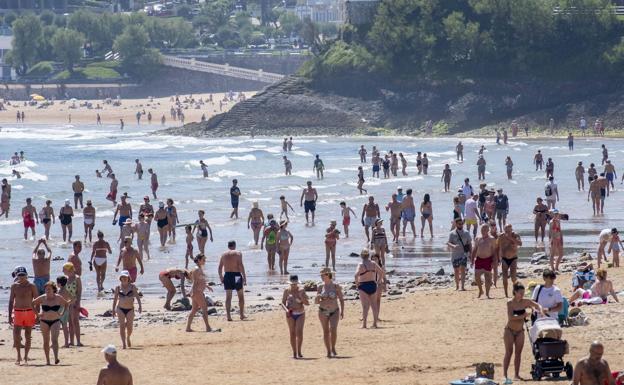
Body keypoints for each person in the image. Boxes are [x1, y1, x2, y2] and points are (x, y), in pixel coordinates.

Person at [503, 282, 544, 384]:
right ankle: (505, 374)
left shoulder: (525, 301)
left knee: (518, 353)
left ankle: (516, 374)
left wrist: (540, 310)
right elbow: (511, 317)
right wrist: (525, 315)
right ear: (515, 292)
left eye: (523, 293)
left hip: (520, 331)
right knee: (509, 352)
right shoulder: (510, 303)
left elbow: (537, 304)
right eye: (520, 293)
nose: (522, 295)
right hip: (509, 330)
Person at [9, 266, 38, 365]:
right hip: (17, 312)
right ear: (17, 276)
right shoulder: (14, 286)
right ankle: (18, 356)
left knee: (28, 335)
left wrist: (37, 314)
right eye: (19, 275)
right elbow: (11, 301)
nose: (21, 277)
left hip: (29, 312)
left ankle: (25, 356)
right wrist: (9, 315)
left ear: (26, 276)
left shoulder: (32, 286)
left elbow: (37, 301)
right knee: (17, 335)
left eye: (23, 275)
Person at [315, 267, 344, 358]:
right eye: (321, 275)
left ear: (328, 275)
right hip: (323, 311)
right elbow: (316, 302)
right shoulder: (320, 286)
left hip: (334, 310)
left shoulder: (336, 286)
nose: (322, 276)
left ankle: (333, 347)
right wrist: (319, 297)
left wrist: (342, 311)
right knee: (326, 331)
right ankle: (328, 351)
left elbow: (341, 300)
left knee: (333, 329)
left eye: (323, 275)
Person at [354, 249, 384, 328]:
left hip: (363, 285)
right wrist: (378, 282)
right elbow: (381, 272)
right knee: (374, 305)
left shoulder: (360, 264)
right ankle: (374, 323)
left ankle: (364, 324)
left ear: (361, 256)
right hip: (372, 284)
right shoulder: (373, 263)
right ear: (368, 256)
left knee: (365, 306)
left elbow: (356, 275)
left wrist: (357, 285)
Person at [112, 271, 142, 348]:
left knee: (130, 327)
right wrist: (113, 310)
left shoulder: (132, 287)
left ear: (128, 278)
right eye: (122, 277)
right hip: (120, 309)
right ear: (120, 278)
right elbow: (115, 299)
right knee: (122, 326)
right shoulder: (118, 288)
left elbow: (137, 297)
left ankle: (128, 337)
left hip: (130, 309)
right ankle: (124, 344)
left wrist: (140, 306)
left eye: (125, 277)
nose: (124, 278)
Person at [218, 240, 247, 321]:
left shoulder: (223, 255)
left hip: (227, 275)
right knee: (240, 295)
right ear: (234, 245)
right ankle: (241, 315)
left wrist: (221, 277)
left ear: (228, 246)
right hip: (237, 275)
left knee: (228, 297)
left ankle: (228, 316)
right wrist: (244, 276)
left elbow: (220, 267)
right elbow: (240, 265)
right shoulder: (238, 253)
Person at [282, 274, 309, 358]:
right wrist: (286, 310)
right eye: (292, 284)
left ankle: (299, 351)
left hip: (300, 313)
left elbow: (307, 303)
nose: (293, 285)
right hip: (290, 314)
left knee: (299, 332)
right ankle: (294, 352)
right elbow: (282, 303)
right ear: (290, 283)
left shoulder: (301, 290)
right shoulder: (286, 291)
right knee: (292, 333)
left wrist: (301, 298)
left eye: (295, 283)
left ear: (297, 283)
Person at [186, 254, 213, 332]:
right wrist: (192, 292)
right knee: (204, 308)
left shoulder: (199, 268)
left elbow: (201, 280)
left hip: (197, 291)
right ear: (198, 260)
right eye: (203, 260)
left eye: (205, 260)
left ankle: (188, 327)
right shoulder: (197, 269)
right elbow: (195, 282)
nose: (204, 261)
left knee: (194, 310)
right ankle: (208, 327)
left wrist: (207, 286)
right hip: (197, 292)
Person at [471, 224, 496, 299]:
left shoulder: (492, 239)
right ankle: (481, 290)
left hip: (488, 259)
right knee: (477, 276)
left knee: (488, 278)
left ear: (488, 230)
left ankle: (487, 294)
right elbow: (474, 249)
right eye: (482, 229)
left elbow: (494, 251)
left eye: (485, 230)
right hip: (479, 259)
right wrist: (472, 260)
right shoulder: (478, 238)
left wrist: (494, 261)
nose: (483, 231)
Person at [498, 224, 522, 298]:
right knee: (504, 277)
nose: (507, 232)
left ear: (511, 229)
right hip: (504, 258)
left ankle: (517, 291)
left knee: (513, 277)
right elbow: (497, 246)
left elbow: (520, 243)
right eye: (506, 230)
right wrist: (498, 258)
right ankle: (506, 294)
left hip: (513, 258)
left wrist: (510, 238)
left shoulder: (515, 235)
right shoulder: (501, 236)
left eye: (509, 230)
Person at [63, 262, 82, 346]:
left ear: (69, 269)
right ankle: (71, 341)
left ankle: (78, 341)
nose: (63, 271)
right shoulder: (65, 279)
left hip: (74, 302)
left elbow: (79, 291)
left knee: (75, 321)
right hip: (67, 303)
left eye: (64, 269)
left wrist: (78, 303)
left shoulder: (77, 278)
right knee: (70, 322)